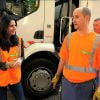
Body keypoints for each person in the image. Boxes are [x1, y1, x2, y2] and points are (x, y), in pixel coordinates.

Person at [52, 7, 100, 100]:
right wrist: (57, 75)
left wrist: (99, 88)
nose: (73, 20)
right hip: (66, 83)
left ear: (87, 18)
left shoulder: (97, 40)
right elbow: (63, 59)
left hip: (86, 85)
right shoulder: (69, 38)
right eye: (73, 17)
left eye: (77, 17)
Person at [0, 15, 25, 100]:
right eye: (11, 26)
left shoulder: (19, 40)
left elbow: (22, 56)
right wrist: (8, 65)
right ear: (4, 27)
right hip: (1, 79)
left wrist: (20, 60)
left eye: (15, 25)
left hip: (14, 77)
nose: (14, 28)